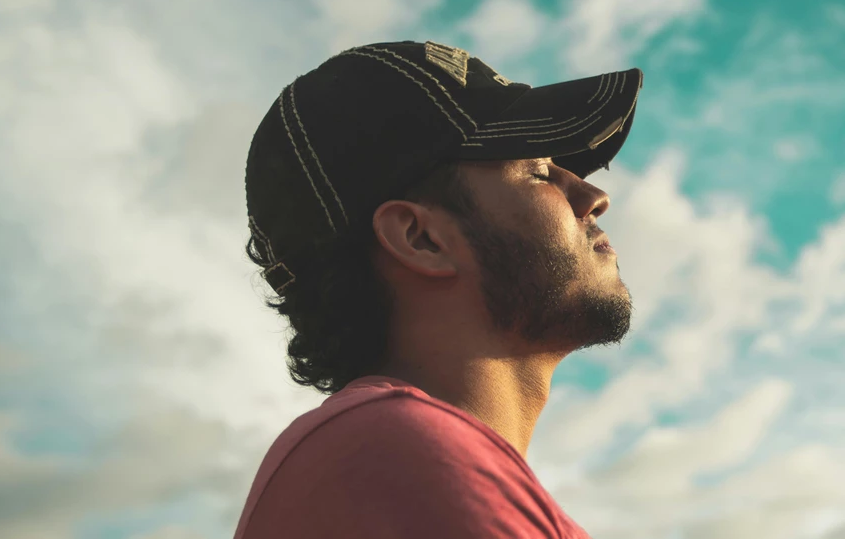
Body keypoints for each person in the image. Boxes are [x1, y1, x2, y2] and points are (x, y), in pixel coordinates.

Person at [233, 40, 642, 539]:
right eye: (537, 172)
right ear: (421, 239)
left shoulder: (398, 460)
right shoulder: (391, 451)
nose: (593, 195)